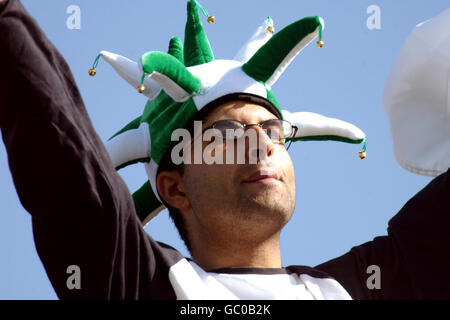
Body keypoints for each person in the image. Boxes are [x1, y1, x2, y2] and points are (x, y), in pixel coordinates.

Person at [0, 0, 449, 300]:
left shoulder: (365, 285)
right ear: (175, 188)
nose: (260, 144)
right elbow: (66, 163)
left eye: (273, 130)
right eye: (228, 133)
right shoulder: (146, 283)